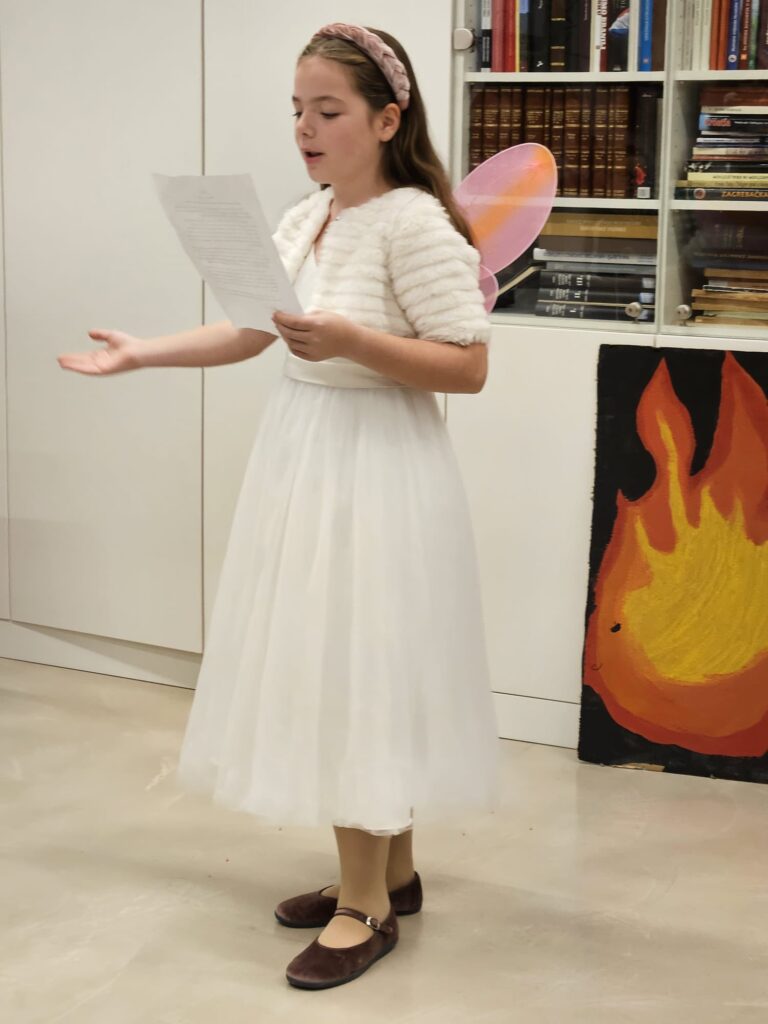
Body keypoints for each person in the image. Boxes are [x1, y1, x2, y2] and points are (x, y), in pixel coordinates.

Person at [58, 22, 500, 991]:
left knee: (357, 669)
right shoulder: (311, 216)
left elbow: (468, 365)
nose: (304, 128)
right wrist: (141, 353)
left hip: (375, 467)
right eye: (297, 110)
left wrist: (351, 341)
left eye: (327, 111)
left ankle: (364, 905)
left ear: (387, 120)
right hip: (309, 455)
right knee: (352, 659)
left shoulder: (415, 223)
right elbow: (252, 330)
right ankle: (392, 871)